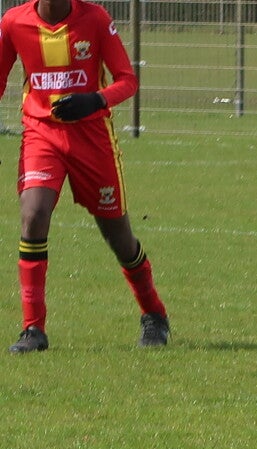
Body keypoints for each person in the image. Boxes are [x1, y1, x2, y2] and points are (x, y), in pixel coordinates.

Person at [0, 0, 167, 353]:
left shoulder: (95, 18)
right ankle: (33, 329)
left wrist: (95, 100)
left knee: (119, 237)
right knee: (33, 214)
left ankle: (154, 314)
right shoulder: (14, 22)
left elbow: (128, 80)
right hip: (41, 134)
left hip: (92, 140)